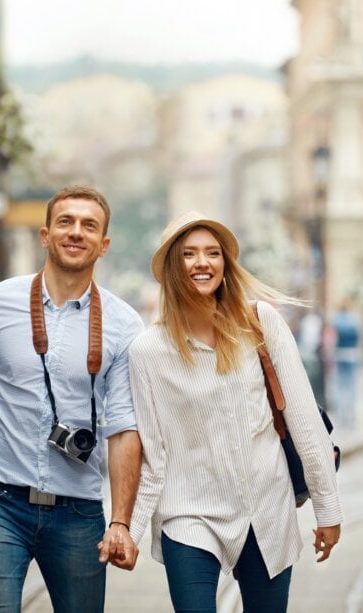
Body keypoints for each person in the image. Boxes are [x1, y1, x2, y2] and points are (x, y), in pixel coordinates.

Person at [0, 185, 144, 612]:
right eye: (65, 222)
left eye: (89, 225)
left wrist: (121, 522)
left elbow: (125, 427)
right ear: (45, 235)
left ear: (104, 244)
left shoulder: (125, 324)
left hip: (79, 512)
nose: (76, 232)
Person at [126, 211, 343, 612]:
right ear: (172, 267)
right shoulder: (147, 351)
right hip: (189, 513)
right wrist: (129, 530)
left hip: (265, 508)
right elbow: (153, 456)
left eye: (213, 253)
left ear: (225, 263)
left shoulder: (261, 323)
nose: (202, 262)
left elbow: (305, 423)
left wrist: (327, 509)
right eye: (189, 254)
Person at [332, 297, 361, 427]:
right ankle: (350, 414)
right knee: (351, 386)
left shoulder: (336, 320)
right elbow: (358, 337)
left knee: (339, 385)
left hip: (339, 354)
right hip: (352, 354)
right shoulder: (354, 320)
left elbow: (333, 337)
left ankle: (340, 414)